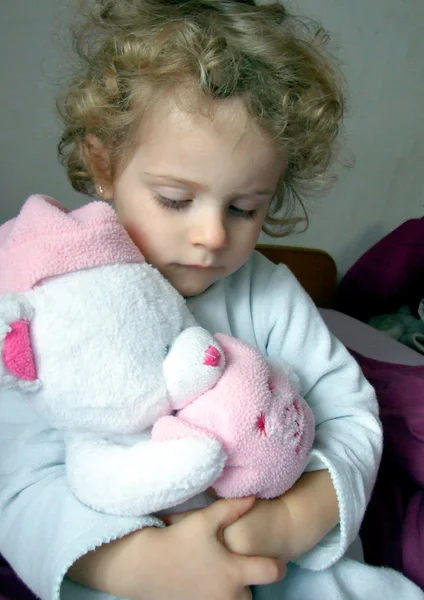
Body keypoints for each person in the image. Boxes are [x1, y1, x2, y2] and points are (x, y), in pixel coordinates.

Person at [0, 1, 422, 599]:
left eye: (244, 208)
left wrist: (291, 521)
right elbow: (17, 482)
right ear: (103, 163)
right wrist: (140, 564)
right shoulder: (45, 297)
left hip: (283, 569)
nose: (214, 236)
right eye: (176, 199)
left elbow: (350, 416)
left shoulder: (266, 290)